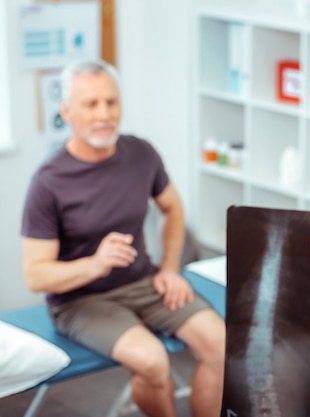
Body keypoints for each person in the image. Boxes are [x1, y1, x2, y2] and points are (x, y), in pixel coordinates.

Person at [21, 59, 225, 417]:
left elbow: (173, 210)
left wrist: (170, 268)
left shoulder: (140, 153)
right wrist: (94, 264)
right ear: (67, 111)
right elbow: (36, 275)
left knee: (222, 345)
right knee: (152, 360)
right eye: (90, 104)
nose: (104, 114)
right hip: (81, 301)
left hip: (143, 282)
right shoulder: (48, 182)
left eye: (111, 102)